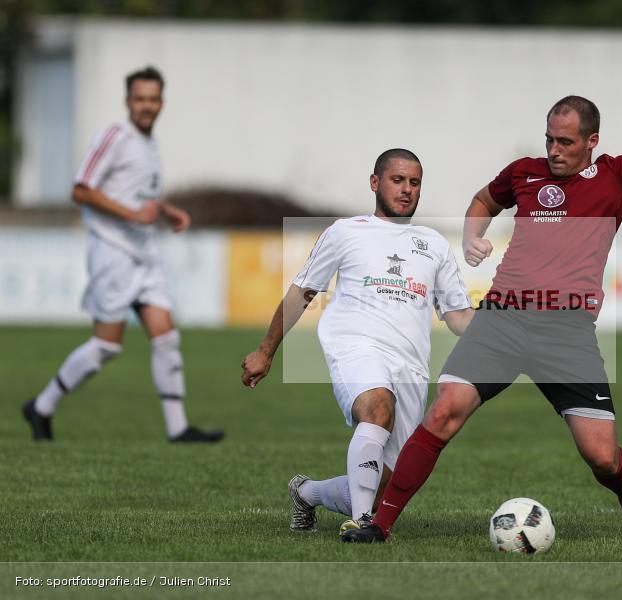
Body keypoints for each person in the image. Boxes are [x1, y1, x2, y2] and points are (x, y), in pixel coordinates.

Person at [343, 23, 622, 543]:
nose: (555, 150)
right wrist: (472, 236)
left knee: (602, 457)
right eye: (550, 139)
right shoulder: (524, 173)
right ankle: (379, 525)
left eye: (566, 142)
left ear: (591, 142)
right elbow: (484, 200)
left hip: (566, 331)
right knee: (443, 413)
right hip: (503, 318)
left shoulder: (617, 177)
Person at [241, 148, 474, 533]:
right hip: (355, 346)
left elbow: (459, 316)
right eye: (397, 180)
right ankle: (362, 523)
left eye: (414, 182)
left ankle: (308, 493)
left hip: (411, 368)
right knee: (378, 408)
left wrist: (502, 324)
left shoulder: (433, 244)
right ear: (375, 183)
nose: (407, 189)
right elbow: (302, 291)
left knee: (381, 485)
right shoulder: (345, 232)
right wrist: (266, 351)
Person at [22, 66, 224, 443]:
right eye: (140, 99)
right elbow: (81, 190)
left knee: (166, 338)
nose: (147, 106)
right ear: (128, 101)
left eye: (153, 99)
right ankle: (42, 406)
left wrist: (165, 210)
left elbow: (138, 193)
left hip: (144, 253)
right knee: (106, 346)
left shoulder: (149, 143)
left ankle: (178, 428)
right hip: (112, 251)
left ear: (162, 102)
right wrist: (132, 215)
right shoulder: (115, 136)